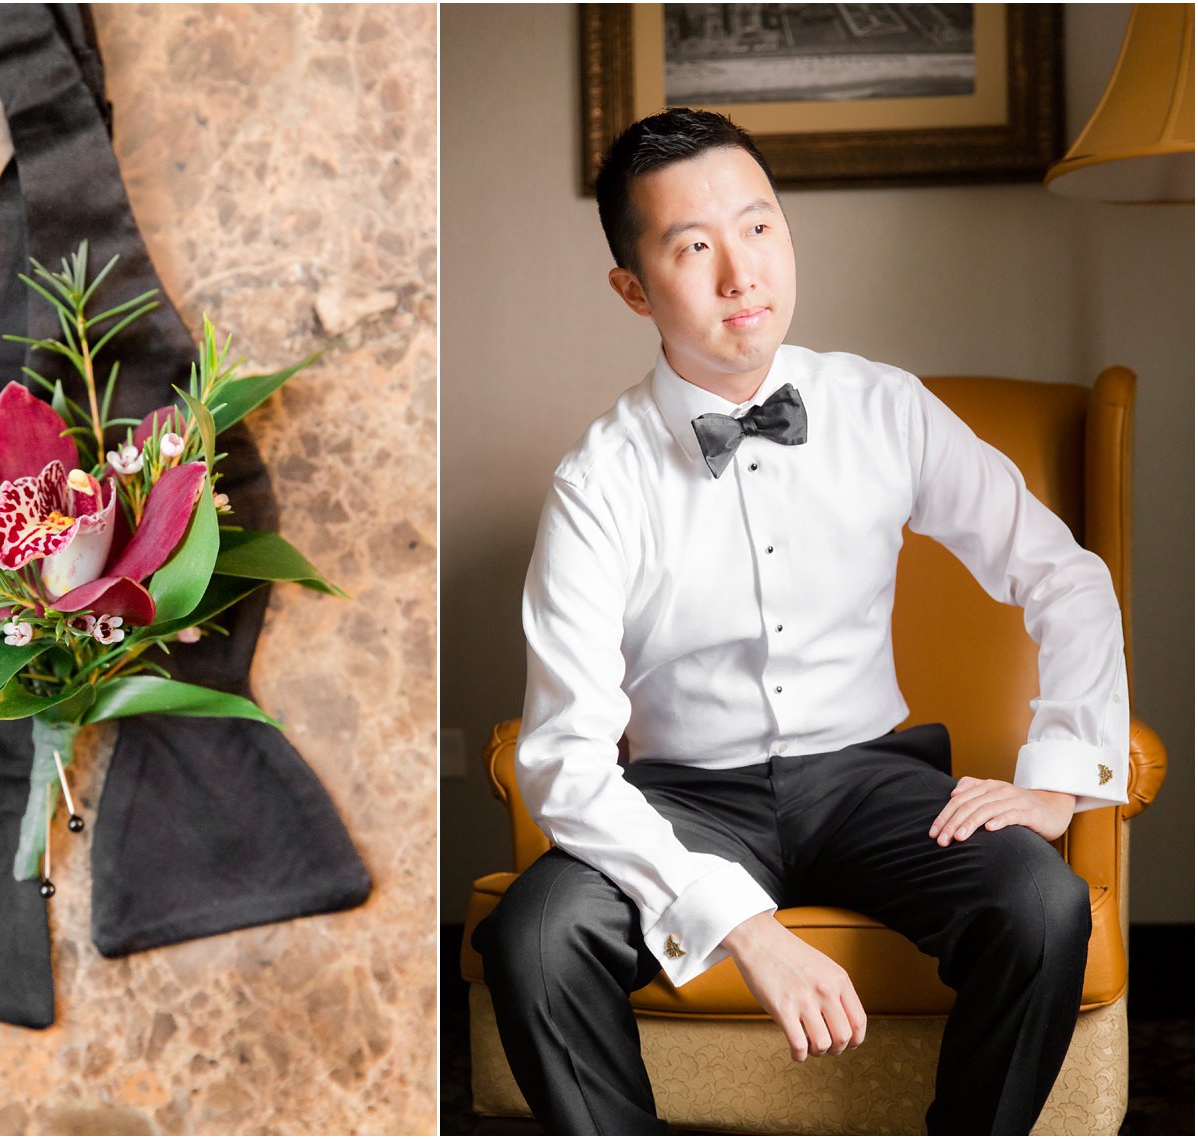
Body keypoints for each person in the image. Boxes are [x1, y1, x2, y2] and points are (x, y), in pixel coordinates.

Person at [472, 108, 1129, 1136]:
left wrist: (1057, 777)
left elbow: (1064, 575)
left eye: (759, 227)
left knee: (1039, 904)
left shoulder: (884, 408)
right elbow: (561, 759)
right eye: (693, 247)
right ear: (633, 288)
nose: (741, 274)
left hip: (869, 778)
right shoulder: (598, 480)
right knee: (534, 933)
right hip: (686, 795)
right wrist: (739, 922)